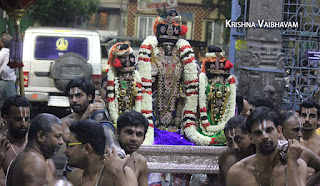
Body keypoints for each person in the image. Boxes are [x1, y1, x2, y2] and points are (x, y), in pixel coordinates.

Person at [227, 106, 308, 186]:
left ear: (279, 131)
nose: (265, 137)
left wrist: (292, 163)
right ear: (250, 138)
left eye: (269, 130)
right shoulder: (237, 172)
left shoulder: (298, 166)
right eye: (258, 133)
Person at [65, 119, 138, 186]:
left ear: (87, 148)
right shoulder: (75, 176)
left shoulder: (124, 173)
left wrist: (118, 173)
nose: (65, 151)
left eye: (69, 145)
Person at [6, 113, 64, 185]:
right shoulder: (35, 162)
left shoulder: (29, 158)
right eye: (57, 137)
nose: (61, 142)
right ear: (41, 136)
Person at [105, 42, 142, 124]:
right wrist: (115, 119)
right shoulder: (112, 76)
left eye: (129, 57)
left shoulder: (136, 76)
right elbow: (109, 99)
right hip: (116, 115)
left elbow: (138, 98)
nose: (128, 61)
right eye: (123, 58)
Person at [215, 115, 255, 186]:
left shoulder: (261, 156)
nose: (234, 147)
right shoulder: (225, 155)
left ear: (250, 136)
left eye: (238, 140)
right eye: (230, 141)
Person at [0, 95, 31, 184]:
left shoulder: (35, 142)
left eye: (27, 119)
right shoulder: (1, 144)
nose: (23, 124)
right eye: (18, 119)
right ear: (5, 118)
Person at [117, 110, 148, 186]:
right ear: (117, 132)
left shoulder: (141, 161)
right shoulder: (105, 158)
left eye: (139, 134)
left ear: (144, 139)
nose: (134, 138)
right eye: (128, 132)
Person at [0, 34, 16, 108]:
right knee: (11, 106)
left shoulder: (2, 53)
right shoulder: (14, 54)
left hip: (2, 81)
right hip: (10, 83)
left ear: (2, 44)